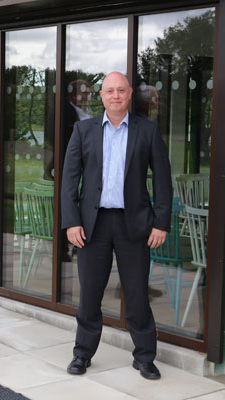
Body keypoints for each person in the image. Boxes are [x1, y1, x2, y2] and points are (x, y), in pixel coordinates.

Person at [61, 71, 172, 380]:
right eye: (109, 91)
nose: (115, 96)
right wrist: (71, 222)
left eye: (121, 90)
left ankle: (145, 357)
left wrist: (161, 223)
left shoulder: (147, 130)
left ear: (129, 94)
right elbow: (69, 181)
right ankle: (82, 354)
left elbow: (163, 181)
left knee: (137, 295)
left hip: (133, 225)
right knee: (90, 295)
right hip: (92, 227)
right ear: (102, 96)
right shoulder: (84, 130)